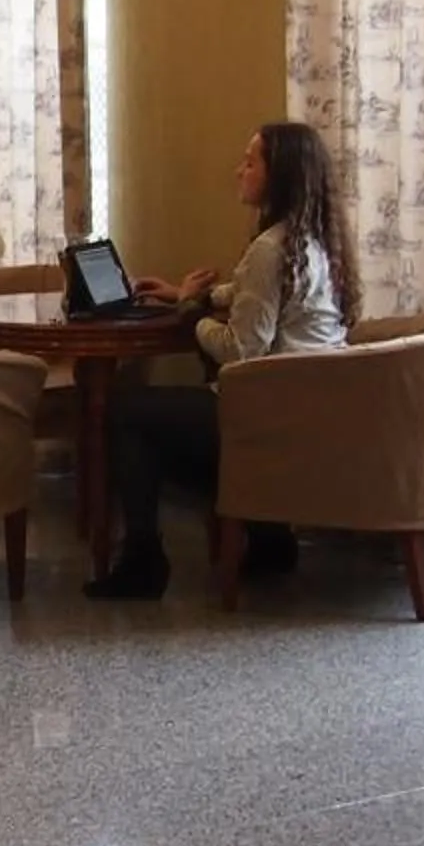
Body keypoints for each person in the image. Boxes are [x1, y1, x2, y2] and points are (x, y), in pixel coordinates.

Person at [84, 121, 354, 600]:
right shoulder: (314, 240)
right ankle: (271, 540)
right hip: (314, 412)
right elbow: (252, 293)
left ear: (280, 176)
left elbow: (240, 350)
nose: (238, 170)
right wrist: (193, 295)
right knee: (171, 420)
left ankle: (143, 560)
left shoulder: (270, 250)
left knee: (126, 412)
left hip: (266, 414)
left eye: (251, 161)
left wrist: (190, 316)